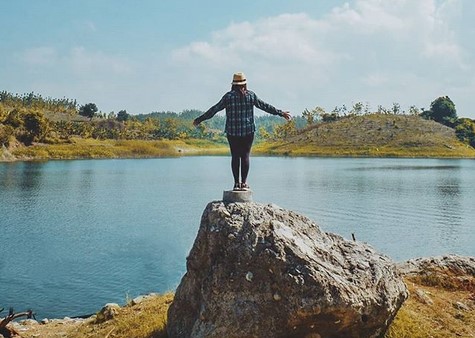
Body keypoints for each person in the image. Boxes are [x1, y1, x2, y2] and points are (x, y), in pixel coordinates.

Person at [193, 72, 292, 191]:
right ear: (245, 84)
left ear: (233, 84)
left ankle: (236, 184)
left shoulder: (228, 97)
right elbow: (265, 106)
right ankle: (244, 183)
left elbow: (214, 109)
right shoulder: (251, 95)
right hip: (248, 130)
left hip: (232, 131)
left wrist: (200, 119)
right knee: (245, 156)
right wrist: (280, 113)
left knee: (235, 156)